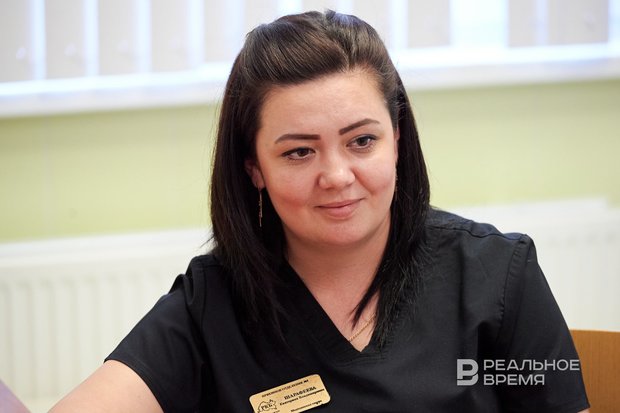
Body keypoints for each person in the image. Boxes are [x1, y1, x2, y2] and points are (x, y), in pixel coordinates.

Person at [50, 10, 590, 413]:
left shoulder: (497, 274)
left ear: (397, 140)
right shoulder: (213, 302)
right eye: (298, 152)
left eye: (362, 141)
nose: (336, 176)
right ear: (254, 168)